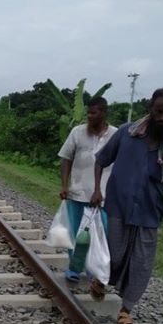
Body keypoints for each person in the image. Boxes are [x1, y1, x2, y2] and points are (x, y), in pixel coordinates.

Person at [92, 88, 163, 324]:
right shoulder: (127, 134)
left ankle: (126, 311)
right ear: (150, 108)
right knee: (115, 255)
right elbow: (101, 159)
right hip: (118, 205)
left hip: (150, 212)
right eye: (159, 111)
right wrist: (97, 190)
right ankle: (102, 280)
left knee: (141, 264)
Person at [58, 97, 117, 283]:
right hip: (78, 192)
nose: (90, 117)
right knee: (76, 234)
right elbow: (66, 158)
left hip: (104, 197)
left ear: (104, 113)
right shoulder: (77, 132)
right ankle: (74, 268)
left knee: (99, 235)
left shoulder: (116, 135)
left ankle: (93, 270)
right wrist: (65, 185)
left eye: (94, 113)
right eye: (88, 113)